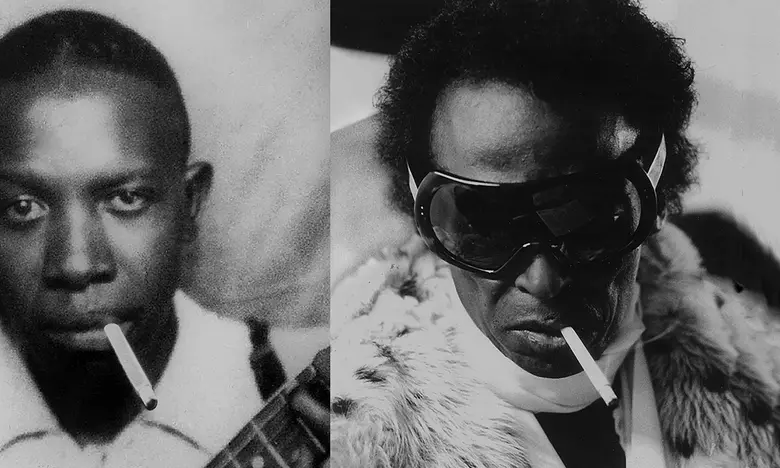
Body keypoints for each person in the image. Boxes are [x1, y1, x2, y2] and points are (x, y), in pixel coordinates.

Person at [329, 0, 780, 467]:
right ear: (426, 221)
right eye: (485, 226)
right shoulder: (347, 437)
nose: (543, 280)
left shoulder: (762, 377)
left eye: (587, 219)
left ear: (657, 198)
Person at [0, 10, 327, 467]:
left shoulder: (319, 385)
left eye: (127, 199)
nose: (76, 265)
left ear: (190, 202)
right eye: (23, 207)